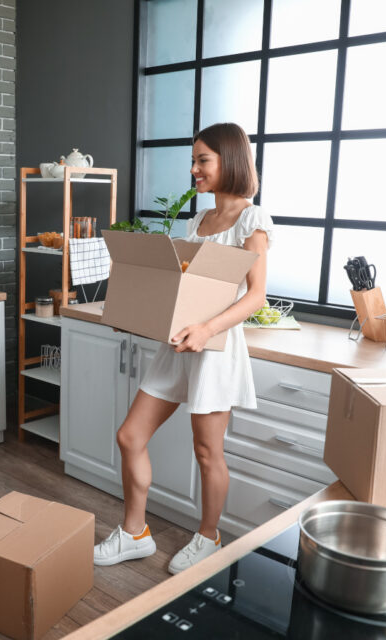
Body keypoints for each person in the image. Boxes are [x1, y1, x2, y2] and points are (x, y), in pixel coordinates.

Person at [93, 123, 273, 575]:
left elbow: (255, 297)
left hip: (214, 348)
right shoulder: (199, 220)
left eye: (202, 160)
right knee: (129, 436)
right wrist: (141, 312)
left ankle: (208, 537)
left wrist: (206, 328)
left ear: (229, 160)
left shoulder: (253, 220)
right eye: (193, 161)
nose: (193, 170)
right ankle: (135, 533)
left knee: (208, 452)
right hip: (178, 345)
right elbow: (185, 287)